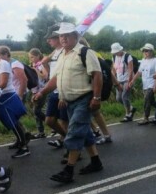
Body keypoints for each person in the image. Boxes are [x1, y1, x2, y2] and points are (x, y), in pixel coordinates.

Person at [33, 22, 104, 184]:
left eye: (67, 35)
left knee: (74, 132)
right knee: (84, 132)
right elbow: (57, 79)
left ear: (75, 36)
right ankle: (96, 162)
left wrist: (97, 98)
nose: (63, 38)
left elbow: (97, 75)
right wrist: (44, 92)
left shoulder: (85, 52)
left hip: (84, 99)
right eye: (61, 35)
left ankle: (69, 170)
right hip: (68, 101)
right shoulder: (62, 55)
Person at [0, 46, 30, 158]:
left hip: (6, 98)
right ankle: (20, 142)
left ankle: (24, 147)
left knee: (13, 123)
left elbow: (3, 83)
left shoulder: (3, 64)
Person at [41, 26, 69, 149]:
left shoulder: (65, 50)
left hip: (63, 90)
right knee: (49, 120)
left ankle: (67, 142)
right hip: (54, 89)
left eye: (50, 38)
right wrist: (45, 63)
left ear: (58, 37)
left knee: (64, 120)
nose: (48, 41)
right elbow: (50, 73)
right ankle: (68, 138)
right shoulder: (56, 51)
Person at [128, 43, 156, 125]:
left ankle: (146, 118)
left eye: (147, 50)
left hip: (152, 83)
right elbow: (138, 72)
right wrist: (132, 81)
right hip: (145, 84)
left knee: (146, 100)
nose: (145, 52)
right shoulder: (143, 61)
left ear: (152, 51)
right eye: (144, 51)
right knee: (151, 101)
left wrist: (155, 86)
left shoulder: (155, 60)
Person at [110, 43, 136, 123]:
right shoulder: (114, 57)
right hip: (119, 80)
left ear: (121, 49)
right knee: (118, 98)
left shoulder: (128, 56)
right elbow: (114, 69)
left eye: (117, 51)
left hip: (127, 79)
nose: (116, 53)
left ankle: (128, 115)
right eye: (115, 52)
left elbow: (130, 70)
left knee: (124, 96)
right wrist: (113, 79)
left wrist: (129, 81)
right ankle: (131, 108)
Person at [29, 48, 49, 138]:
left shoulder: (40, 65)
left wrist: (35, 70)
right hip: (35, 90)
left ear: (37, 56)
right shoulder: (34, 64)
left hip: (42, 90)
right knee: (37, 112)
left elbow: (45, 76)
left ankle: (51, 123)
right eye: (30, 57)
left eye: (32, 57)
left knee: (36, 111)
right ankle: (41, 132)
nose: (31, 59)